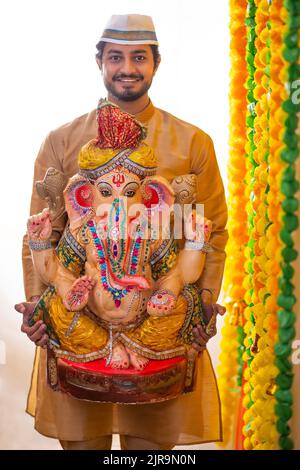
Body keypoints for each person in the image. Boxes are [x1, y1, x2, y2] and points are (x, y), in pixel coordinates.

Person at [15, 14, 228, 450]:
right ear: (99, 62)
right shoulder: (62, 140)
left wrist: (200, 302)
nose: (127, 68)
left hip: (158, 333)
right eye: (116, 57)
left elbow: (213, 231)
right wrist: (39, 306)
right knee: (82, 442)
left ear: (156, 63)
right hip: (81, 334)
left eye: (138, 57)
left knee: (150, 448)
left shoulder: (193, 142)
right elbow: (41, 229)